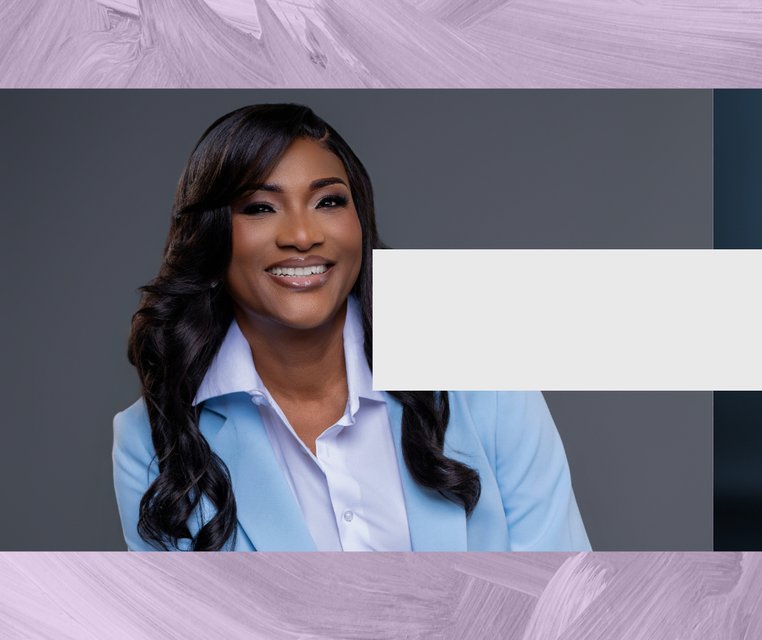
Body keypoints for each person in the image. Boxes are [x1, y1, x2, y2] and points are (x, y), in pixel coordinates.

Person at [112, 104, 590, 551]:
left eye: (328, 201)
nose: (302, 235)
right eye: (260, 207)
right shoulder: (148, 439)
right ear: (209, 240)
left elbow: (564, 597)